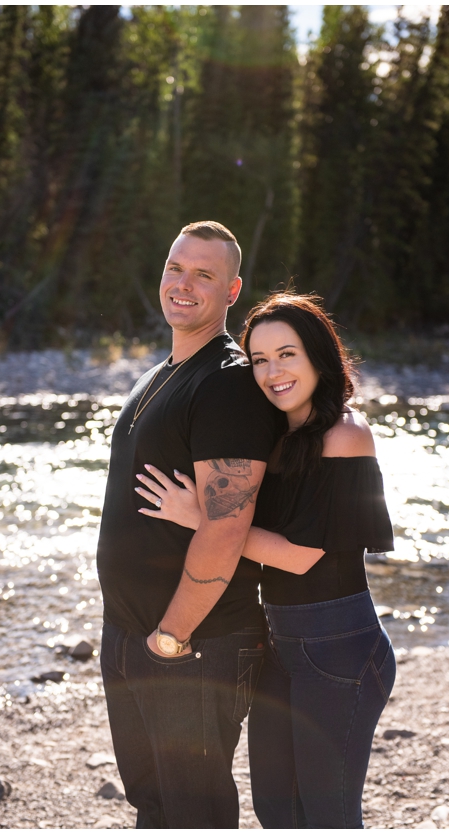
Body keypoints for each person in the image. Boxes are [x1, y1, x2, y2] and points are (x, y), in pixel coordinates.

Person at [135, 292, 395, 828]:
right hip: (280, 645)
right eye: (259, 359)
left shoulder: (345, 435)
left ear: (319, 357)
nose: (272, 371)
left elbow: (300, 558)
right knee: (277, 811)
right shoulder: (278, 436)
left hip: (340, 648)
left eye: (287, 354)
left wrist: (200, 519)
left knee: (328, 817)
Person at [94, 221, 286, 827]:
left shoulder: (227, 383)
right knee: (154, 804)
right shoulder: (164, 372)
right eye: (176, 267)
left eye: (204, 274)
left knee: (193, 812)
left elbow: (227, 527)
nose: (183, 283)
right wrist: (132, 638)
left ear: (231, 293)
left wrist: (170, 638)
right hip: (132, 634)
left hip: (194, 643)